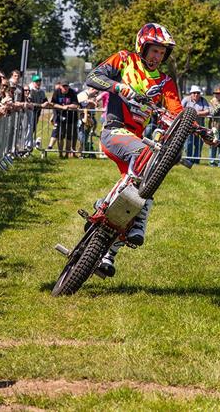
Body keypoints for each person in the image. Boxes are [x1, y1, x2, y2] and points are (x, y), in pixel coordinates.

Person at [85, 23, 186, 277]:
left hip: (138, 142)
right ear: (143, 47)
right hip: (114, 131)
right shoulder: (124, 60)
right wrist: (119, 87)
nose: (157, 57)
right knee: (145, 157)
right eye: (154, 51)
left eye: (162, 53)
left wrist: (200, 130)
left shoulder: (165, 82)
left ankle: (107, 254)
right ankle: (106, 205)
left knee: (145, 186)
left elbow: (178, 114)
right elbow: (93, 77)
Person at [48, 81, 80, 158]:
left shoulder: (72, 92)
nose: (65, 88)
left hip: (71, 117)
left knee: (69, 136)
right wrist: (62, 107)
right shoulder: (57, 92)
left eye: (66, 86)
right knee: (60, 136)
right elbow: (52, 103)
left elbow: (76, 105)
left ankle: (67, 153)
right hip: (60, 117)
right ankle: (60, 153)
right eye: (63, 86)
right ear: (60, 87)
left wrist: (68, 106)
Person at [182, 85, 209, 163]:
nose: (196, 94)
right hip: (188, 126)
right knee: (188, 143)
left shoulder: (203, 100)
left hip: (200, 127)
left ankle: (196, 161)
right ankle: (188, 160)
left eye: (198, 93)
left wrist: (197, 113)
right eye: (194, 93)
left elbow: (207, 111)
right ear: (191, 93)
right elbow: (180, 110)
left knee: (199, 144)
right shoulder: (186, 100)